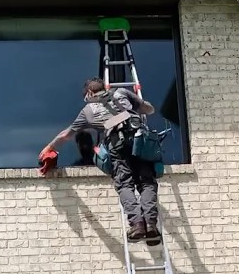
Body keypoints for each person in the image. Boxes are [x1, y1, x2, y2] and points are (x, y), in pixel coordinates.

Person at [41, 79, 161, 245]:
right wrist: (137, 106)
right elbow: (149, 109)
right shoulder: (120, 92)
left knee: (125, 185)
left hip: (117, 145)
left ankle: (137, 225)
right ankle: (151, 224)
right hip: (140, 141)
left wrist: (48, 147)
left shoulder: (88, 110)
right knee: (147, 183)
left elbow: (66, 135)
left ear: (89, 93)